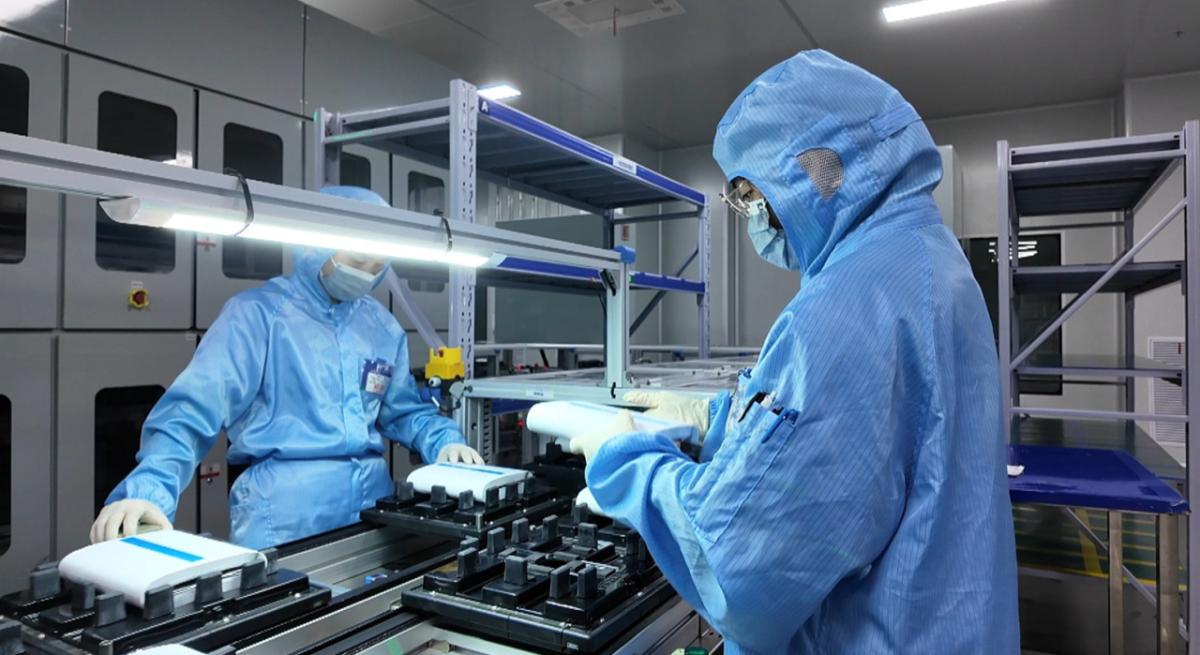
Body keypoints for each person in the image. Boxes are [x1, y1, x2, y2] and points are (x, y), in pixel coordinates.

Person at [571, 50, 1020, 654]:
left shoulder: (848, 306)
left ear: (813, 173)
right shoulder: (929, 260)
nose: (752, 216)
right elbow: (867, 437)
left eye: (750, 195)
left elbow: (738, 565)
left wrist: (626, 462)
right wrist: (716, 416)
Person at [91, 185, 483, 549]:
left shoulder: (381, 327)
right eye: (356, 261)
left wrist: (444, 441)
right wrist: (148, 491)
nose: (365, 274)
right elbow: (192, 410)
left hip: (372, 508)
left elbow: (404, 412)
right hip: (283, 515)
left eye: (376, 265)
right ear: (316, 245)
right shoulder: (256, 316)